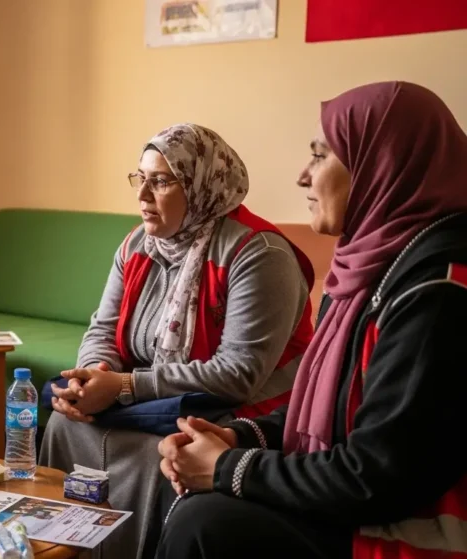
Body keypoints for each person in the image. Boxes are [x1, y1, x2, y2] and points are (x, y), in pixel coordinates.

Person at [156, 81, 467, 559]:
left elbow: (378, 476)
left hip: (399, 532)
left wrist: (228, 468)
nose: (303, 176)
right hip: (358, 503)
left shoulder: (438, 294)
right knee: (193, 495)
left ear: (379, 165)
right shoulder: (368, 270)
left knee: (207, 522)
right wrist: (239, 436)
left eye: (321, 157)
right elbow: (331, 409)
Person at [38, 123, 316, 558]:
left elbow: (237, 375)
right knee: (62, 417)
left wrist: (126, 388)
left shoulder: (259, 254)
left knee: (162, 449)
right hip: (154, 397)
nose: (142, 195)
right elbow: (103, 328)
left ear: (203, 185)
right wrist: (95, 375)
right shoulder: (137, 244)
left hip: (237, 409)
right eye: (140, 178)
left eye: (162, 181)